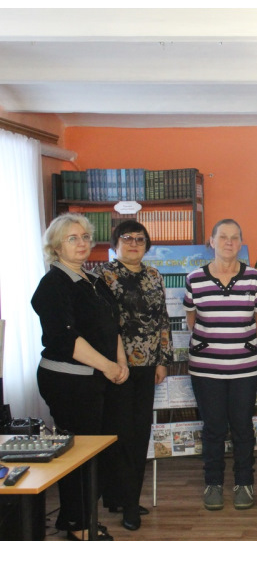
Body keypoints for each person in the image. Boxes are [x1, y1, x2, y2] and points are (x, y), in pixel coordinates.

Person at [31, 213, 129, 541]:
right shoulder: (53, 285)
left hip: (97, 377)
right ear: (56, 246)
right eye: (72, 238)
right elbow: (67, 338)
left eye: (85, 237)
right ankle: (77, 524)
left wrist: (120, 362)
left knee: (94, 454)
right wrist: (108, 367)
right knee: (78, 455)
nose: (82, 243)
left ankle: (81, 517)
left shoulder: (92, 279)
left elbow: (112, 324)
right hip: (68, 381)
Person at [183, 219, 257, 511]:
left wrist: (246, 341)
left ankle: (244, 482)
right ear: (212, 241)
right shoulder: (195, 278)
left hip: (244, 367)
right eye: (223, 237)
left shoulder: (254, 277)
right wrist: (207, 342)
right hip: (206, 368)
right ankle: (214, 483)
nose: (229, 242)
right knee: (213, 427)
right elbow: (191, 316)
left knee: (243, 427)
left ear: (240, 242)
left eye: (234, 237)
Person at [95, 220, 172, 531]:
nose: (134, 243)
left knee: (139, 435)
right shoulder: (103, 276)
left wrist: (163, 361)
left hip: (147, 367)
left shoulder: (154, 275)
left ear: (147, 245)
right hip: (116, 368)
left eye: (140, 239)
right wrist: (114, 363)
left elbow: (163, 320)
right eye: (127, 238)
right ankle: (122, 501)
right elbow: (103, 324)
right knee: (120, 435)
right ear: (115, 243)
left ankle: (128, 498)